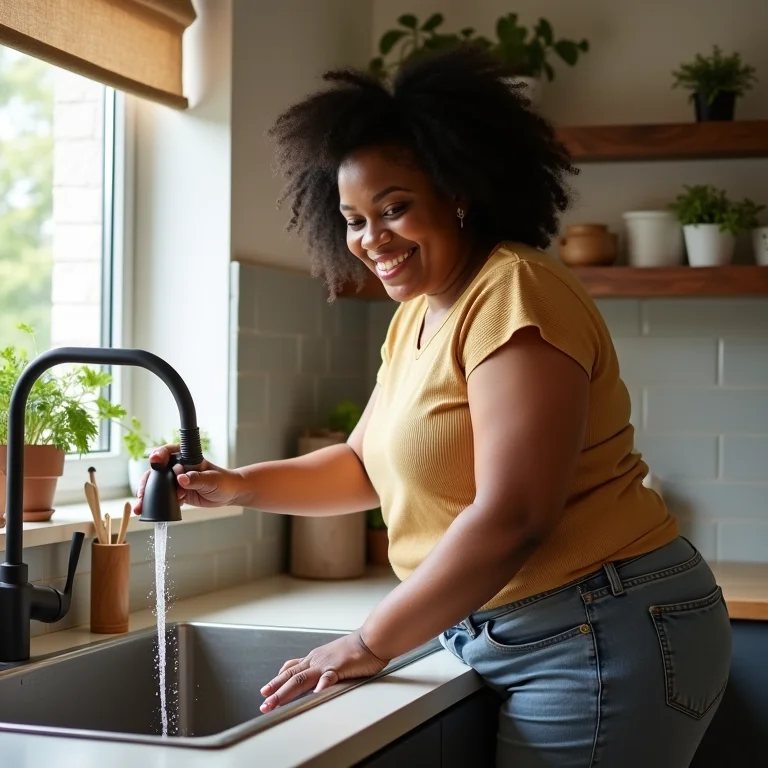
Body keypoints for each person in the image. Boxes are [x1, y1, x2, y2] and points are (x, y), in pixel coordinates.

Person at [136, 47, 732, 767]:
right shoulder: (418, 314)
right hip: (526, 630)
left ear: (457, 192)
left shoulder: (513, 291)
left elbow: (516, 514)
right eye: (353, 219)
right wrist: (236, 485)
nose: (371, 240)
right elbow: (362, 465)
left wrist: (371, 641)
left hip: (598, 625)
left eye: (394, 208)